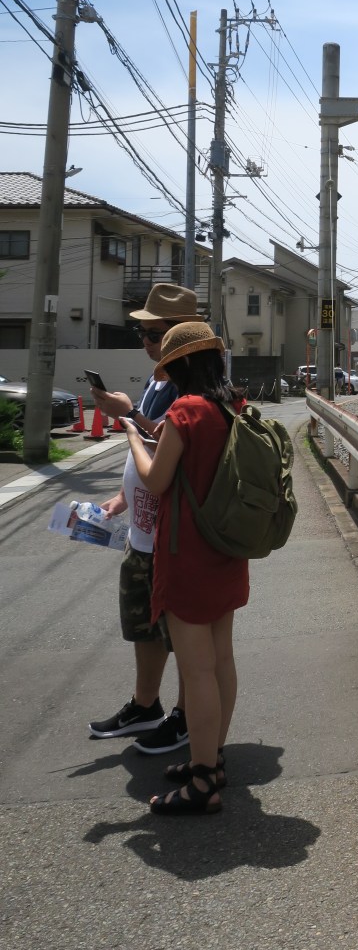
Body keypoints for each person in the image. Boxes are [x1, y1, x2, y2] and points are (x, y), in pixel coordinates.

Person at [125, 321, 250, 816]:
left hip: (187, 554)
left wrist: (133, 436)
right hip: (227, 547)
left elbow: (156, 480)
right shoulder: (232, 406)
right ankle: (211, 759)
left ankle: (202, 782)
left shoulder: (184, 411)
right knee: (222, 660)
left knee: (196, 670)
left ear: (180, 367)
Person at [87, 283, 200, 753]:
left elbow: (171, 447)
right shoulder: (157, 379)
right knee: (143, 625)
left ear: (178, 336)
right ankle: (145, 704)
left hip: (175, 535)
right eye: (144, 335)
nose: (146, 343)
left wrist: (128, 413)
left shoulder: (193, 385)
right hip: (143, 530)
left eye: (154, 335)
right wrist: (122, 497)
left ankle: (189, 714)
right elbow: (145, 452)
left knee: (186, 636)